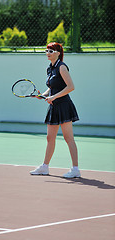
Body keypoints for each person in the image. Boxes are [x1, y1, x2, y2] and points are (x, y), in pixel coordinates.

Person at [30, 42, 81, 178]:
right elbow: (52, 87)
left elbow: (70, 87)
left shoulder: (62, 67)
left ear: (58, 53)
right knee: (50, 138)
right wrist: (44, 95)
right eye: (46, 50)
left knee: (68, 137)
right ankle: (45, 167)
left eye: (51, 51)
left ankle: (75, 169)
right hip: (54, 106)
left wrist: (53, 96)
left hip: (64, 106)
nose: (48, 53)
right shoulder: (50, 68)